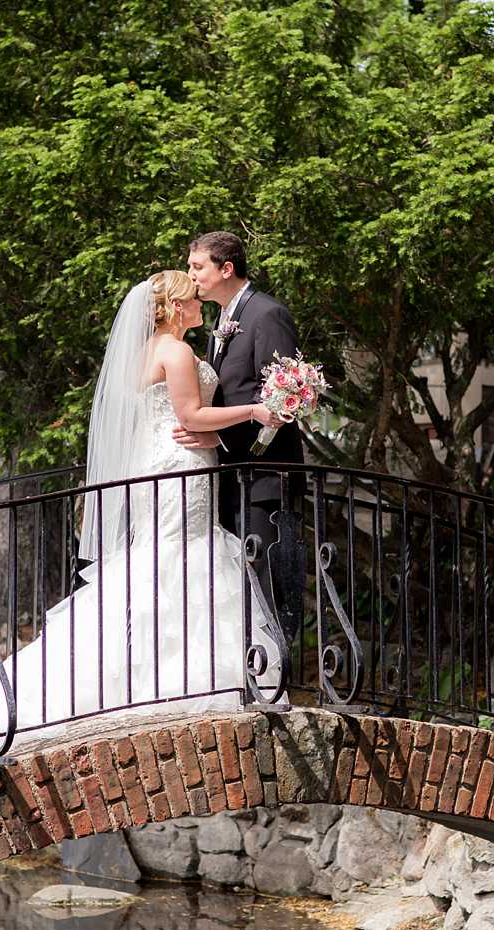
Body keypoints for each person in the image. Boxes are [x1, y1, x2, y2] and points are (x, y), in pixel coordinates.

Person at [0, 271, 283, 773]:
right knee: (179, 559)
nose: (200, 302)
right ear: (176, 306)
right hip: (179, 468)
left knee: (165, 562)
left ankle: (157, 674)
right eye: (192, 297)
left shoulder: (148, 350)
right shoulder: (175, 352)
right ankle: (176, 679)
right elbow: (190, 415)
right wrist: (258, 412)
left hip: (171, 464)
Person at [180, 231, 306, 641]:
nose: (191, 275)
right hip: (234, 476)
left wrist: (220, 439)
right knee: (239, 585)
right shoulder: (224, 318)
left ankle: (274, 680)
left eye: (198, 267)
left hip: (266, 478)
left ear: (226, 268)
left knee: (267, 581)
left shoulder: (266, 314)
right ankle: (247, 672)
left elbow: (281, 402)